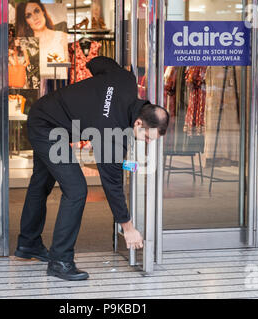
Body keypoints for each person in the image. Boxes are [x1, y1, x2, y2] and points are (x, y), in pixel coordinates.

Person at [15, 56, 169, 281]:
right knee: (76, 190)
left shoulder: (125, 79)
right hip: (47, 127)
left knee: (41, 182)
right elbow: (112, 183)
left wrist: (91, 98)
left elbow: (96, 62)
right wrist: (128, 227)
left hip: (45, 111)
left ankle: (28, 244)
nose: (147, 142)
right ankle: (60, 261)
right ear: (138, 123)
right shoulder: (112, 132)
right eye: (147, 137)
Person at [16, 0, 68, 79]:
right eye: (28, 16)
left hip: (57, 86)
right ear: (26, 22)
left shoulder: (62, 37)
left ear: (43, 12)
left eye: (36, 11)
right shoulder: (24, 43)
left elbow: (67, 70)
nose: (35, 17)